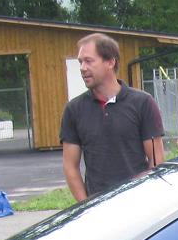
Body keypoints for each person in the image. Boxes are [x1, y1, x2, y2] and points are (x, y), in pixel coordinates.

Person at [60, 33, 165, 201]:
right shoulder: (74, 109)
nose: (82, 68)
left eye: (89, 61)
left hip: (140, 205)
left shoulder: (143, 103)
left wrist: (145, 198)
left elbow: (156, 159)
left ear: (110, 62)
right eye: (80, 62)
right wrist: (86, 206)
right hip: (98, 209)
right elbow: (70, 166)